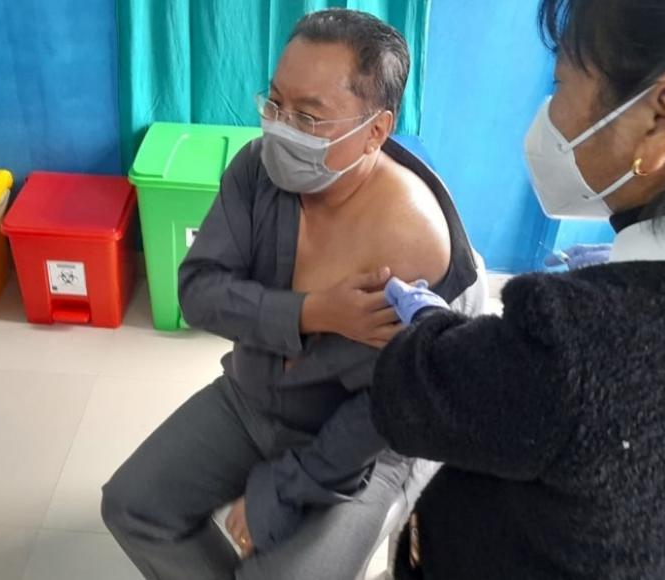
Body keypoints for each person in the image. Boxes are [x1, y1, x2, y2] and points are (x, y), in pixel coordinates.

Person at [370, 0, 665, 578]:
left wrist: (430, 327)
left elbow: (408, 396)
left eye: (561, 85)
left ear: (662, 118)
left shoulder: (572, 344)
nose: (549, 115)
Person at [102, 9, 485, 580]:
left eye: (308, 117)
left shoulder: (412, 244)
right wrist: (312, 312)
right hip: (252, 396)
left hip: (364, 449)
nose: (280, 129)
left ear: (376, 131)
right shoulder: (258, 171)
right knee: (132, 506)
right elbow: (198, 291)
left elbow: (381, 411)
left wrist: (282, 490)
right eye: (275, 103)